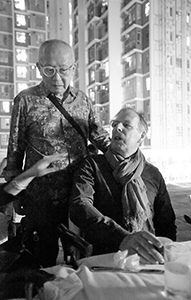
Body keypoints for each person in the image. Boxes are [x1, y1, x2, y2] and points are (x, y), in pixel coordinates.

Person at [3, 39, 110, 267]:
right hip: (40, 198)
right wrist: (14, 195)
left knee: (81, 258)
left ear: (73, 68)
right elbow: (15, 150)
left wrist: (123, 153)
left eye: (63, 70)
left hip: (79, 195)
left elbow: (98, 136)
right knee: (43, 259)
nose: (57, 78)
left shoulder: (83, 101)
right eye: (49, 70)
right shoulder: (25, 101)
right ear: (39, 68)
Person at [69, 107, 177, 264]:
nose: (116, 128)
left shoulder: (152, 174)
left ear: (141, 137)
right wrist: (123, 238)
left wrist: (165, 255)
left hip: (147, 260)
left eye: (126, 125)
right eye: (114, 124)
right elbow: (79, 206)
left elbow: (166, 223)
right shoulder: (92, 165)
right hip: (104, 260)